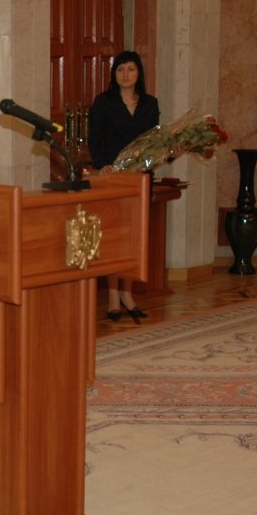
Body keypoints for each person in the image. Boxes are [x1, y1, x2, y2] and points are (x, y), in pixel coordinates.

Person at [87, 50, 160, 321]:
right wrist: (103, 164)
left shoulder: (150, 104)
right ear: (113, 74)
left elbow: (153, 141)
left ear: (138, 72)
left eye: (130, 69)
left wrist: (165, 152)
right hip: (113, 178)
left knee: (134, 239)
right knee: (115, 238)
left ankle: (129, 294)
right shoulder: (104, 102)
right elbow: (94, 139)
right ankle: (114, 296)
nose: (125, 74)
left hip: (140, 178)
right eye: (120, 69)